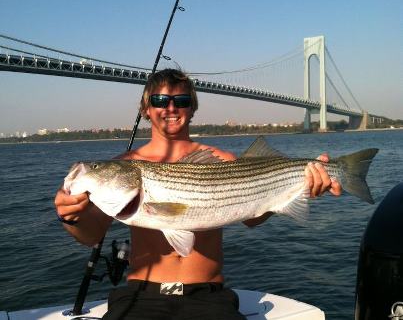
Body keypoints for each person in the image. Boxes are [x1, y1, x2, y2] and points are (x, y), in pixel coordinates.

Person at [54, 68, 341, 320]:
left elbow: (252, 218)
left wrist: (294, 189)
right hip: (142, 295)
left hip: (209, 295)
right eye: (159, 100)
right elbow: (91, 235)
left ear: (193, 108)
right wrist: (71, 217)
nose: (170, 107)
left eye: (181, 101)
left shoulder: (222, 158)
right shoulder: (125, 164)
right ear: (146, 109)